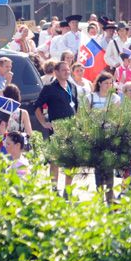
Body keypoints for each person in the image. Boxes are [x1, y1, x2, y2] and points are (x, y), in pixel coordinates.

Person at [31, 60, 78, 191]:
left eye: (68, 70)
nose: (67, 72)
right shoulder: (49, 88)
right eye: (63, 70)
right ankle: (54, 189)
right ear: (56, 72)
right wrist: (43, 122)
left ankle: (68, 190)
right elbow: (36, 106)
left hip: (71, 128)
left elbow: (76, 106)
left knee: (71, 160)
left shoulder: (72, 86)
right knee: (55, 160)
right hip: (57, 127)